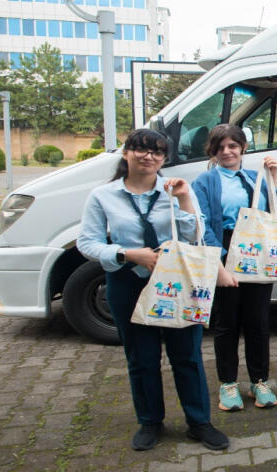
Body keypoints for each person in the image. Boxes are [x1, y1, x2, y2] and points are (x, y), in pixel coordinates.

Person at [77, 129, 229, 451]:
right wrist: (127, 254)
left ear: (164, 158)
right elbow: (87, 242)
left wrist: (185, 198)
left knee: (187, 356)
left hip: (177, 281)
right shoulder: (102, 196)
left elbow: (198, 235)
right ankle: (150, 421)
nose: (149, 157)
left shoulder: (172, 189)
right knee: (142, 358)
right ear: (126, 153)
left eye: (157, 152)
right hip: (128, 282)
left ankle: (199, 421)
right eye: (141, 149)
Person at [191, 124, 277, 412]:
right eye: (220, 147)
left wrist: (276, 178)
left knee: (258, 322)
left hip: (258, 251)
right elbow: (202, 222)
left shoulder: (255, 177)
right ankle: (228, 383)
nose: (227, 152)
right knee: (226, 323)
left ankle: (259, 380)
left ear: (243, 148)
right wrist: (220, 260)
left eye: (233, 146)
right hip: (225, 249)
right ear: (213, 151)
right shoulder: (204, 182)